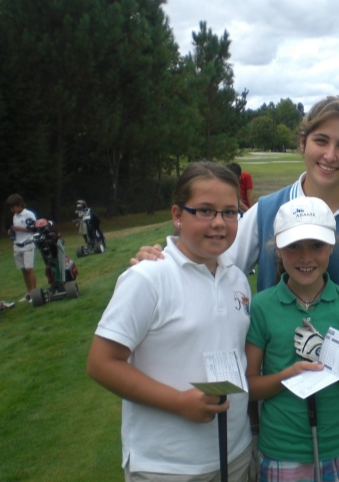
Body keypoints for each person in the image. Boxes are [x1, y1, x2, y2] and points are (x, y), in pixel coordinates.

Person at [132, 96, 339, 448]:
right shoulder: (267, 210)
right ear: (303, 142)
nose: (330, 155)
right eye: (321, 141)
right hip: (277, 389)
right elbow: (212, 260)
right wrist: (165, 258)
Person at [87, 162, 253, 481]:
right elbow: (101, 363)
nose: (219, 223)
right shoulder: (148, 277)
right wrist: (178, 402)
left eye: (230, 212)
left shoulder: (237, 279)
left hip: (235, 454)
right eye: (205, 211)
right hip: (168, 466)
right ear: (178, 215)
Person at [246, 196, 339, 481]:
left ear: (332, 246)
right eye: (293, 246)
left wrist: (327, 358)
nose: (305, 257)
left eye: (317, 246)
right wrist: (289, 374)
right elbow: (250, 385)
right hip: (282, 448)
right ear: (277, 248)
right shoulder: (261, 307)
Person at [5, 194, 37, 302]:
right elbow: (15, 229)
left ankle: (34, 293)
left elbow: (34, 228)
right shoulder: (15, 216)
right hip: (17, 245)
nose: (11, 210)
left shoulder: (29, 214)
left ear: (19, 205)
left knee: (29, 269)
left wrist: (19, 228)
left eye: (13, 207)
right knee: (23, 270)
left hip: (27, 244)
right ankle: (28, 292)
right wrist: (11, 231)